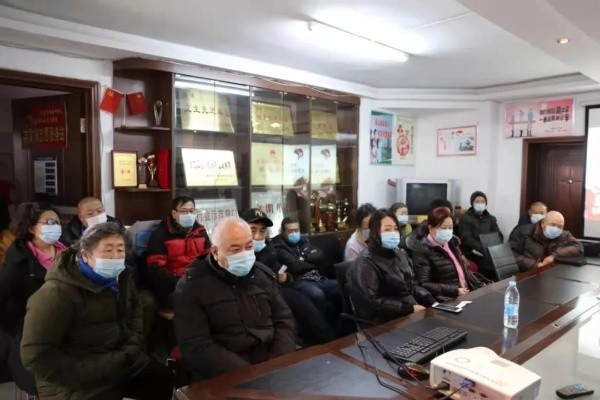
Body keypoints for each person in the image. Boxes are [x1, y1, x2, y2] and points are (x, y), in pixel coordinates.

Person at [20, 222, 174, 400]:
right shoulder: (55, 294)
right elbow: (36, 357)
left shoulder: (122, 277)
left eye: (120, 250)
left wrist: (132, 344)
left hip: (122, 360)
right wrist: (103, 366)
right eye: (108, 250)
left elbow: (135, 309)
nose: (115, 257)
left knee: (162, 378)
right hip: (77, 381)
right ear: (86, 255)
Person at [174, 217, 295, 381]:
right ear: (215, 252)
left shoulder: (262, 275)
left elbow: (284, 319)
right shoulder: (192, 285)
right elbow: (196, 344)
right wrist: (249, 375)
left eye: (249, 247)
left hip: (273, 362)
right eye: (235, 249)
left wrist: (277, 362)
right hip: (228, 372)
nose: (244, 254)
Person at [241, 208, 335, 344]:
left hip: (279, 288)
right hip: (257, 294)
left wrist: (286, 277)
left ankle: (329, 344)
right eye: (253, 230)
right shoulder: (238, 253)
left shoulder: (269, 249)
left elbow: (281, 269)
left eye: (262, 231)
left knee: (307, 308)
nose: (258, 236)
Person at [0, 202, 64, 396]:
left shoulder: (69, 254)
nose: (55, 226)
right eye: (49, 222)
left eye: (57, 222)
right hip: (32, 328)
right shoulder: (17, 260)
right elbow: (6, 302)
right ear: (30, 227)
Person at [346, 208, 435, 323]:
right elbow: (369, 303)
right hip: (385, 322)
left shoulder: (399, 254)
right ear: (375, 232)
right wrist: (407, 309)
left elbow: (411, 285)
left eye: (396, 229)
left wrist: (429, 299)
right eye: (387, 229)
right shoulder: (365, 263)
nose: (393, 233)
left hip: (409, 313)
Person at [272, 217, 342, 323]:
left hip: (317, 278)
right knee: (317, 294)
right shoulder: (278, 246)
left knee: (341, 285)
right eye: (290, 231)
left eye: (296, 230)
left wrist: (303, 257)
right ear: (283, 232)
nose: (294, 233)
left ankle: (342, 323)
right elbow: (295, 266)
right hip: (299, 281)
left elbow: (320, 255)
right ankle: (323, 325)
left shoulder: (303, 240)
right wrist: (313, 263)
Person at [407, 206, 484, 300]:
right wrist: (454, 290)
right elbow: (423, 284)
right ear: (431, 228)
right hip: (446, 299)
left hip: (465, 293)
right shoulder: (422, 250)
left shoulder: (452, 244)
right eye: (443, 228)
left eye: (450, 228)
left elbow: (463, 271)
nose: (447, 231)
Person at [146, 196, 211, 306]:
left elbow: (209, 260)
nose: (188, 214)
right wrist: (182, 282)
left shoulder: (201, 232)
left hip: (199, 283)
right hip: (172, 288)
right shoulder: (160, 235)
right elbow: (156, 270)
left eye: (191, 211)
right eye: (183, 211)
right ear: (174, 213)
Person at [508, 210, 583, 271]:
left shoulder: (562, 234)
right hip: (527, 273)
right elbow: (510, 255)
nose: (556, 229)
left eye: (560, 226)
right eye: (553, 225)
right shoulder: (523, 232)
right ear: (543, 223)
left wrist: (554, 255)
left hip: (550, 272)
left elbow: (578, 247)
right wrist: (535, 265)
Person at [458, 191, 503, 278]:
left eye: (483, 201)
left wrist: (495, 247)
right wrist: (483, 249)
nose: (480, 203)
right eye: (477, 201)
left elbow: (499, 235)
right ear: (472, 203)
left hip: (491, 250)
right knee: (487, 265)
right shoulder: (465, 218)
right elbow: (466, 238)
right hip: (473, 251)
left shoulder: (491, 218)